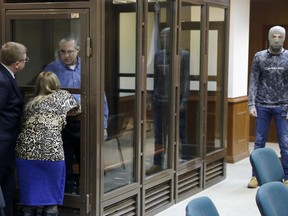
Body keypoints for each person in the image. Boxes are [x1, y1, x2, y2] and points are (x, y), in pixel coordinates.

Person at [43, 37, 109, 193]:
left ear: (78, 50)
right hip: (62, 123)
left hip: (85, 121)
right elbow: (45, 96)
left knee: (85, 160)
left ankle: (84, 192)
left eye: (70, 51)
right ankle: (68, 193)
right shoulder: (51, 69)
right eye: (63, 52)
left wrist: (103, 125)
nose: (66, 55)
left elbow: (101, 97)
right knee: (64, 160)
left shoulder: (89, 67)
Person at [16, 72, 79, 216]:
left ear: (37, 85)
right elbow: (77, 109)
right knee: (51, 202)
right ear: (56, 84)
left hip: (25, 153)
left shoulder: (29, 102)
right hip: (51, 152)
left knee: (29, 201)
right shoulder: (63, 96)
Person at [248, 25, 288, 188]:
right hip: (262, 105)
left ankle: (286, 176)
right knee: (259, 142)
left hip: (282, 106)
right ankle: (255, 176)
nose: (276, 39)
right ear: (268, 38)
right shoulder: (259, 57)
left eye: (279, 36)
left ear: (284, 38)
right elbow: (253, 80)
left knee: (285, 143)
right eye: (274, 36)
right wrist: (251, 103)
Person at [146, 28, 190, 175]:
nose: (164, 39)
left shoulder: (183, 55)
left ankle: (184, 159)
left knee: (180, 133)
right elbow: (156, 79)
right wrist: (151, 98)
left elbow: (185, 80)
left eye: (167, 36)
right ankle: (157, 163)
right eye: (162, 36)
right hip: (160, 101)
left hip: (175, 102)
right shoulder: (158, 55)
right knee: (158, 135)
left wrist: (183, 101)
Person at [0, 42, 28, 216]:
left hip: (6, 142)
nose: (26, 62)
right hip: (2, 143)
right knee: (5, 182)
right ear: (17, 63)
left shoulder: (6, 75)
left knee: (8, 183)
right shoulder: (2, 80)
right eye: (25, 59)